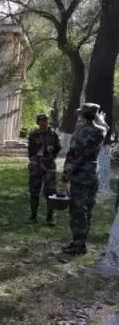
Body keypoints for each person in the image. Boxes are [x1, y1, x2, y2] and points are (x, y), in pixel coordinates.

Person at [59, 103, 107, 255]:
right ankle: (82, 241)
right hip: (93, 174)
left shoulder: (81, 132)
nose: (78, 116)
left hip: (80, 176)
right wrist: (99, 119)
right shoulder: (101, 131)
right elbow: (104, 126)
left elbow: (74, 157)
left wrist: (65, 177)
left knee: (77, 210)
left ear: (83, 115)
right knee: (88, 209)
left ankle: (78, 245)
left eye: (80, 114)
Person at [27, 114, 61, 226]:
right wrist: (34, 160)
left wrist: (51, 158)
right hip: (36, 166)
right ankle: (33, 216)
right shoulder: (33, 134)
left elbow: (57, 148)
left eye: (46, 120)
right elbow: (30, 150)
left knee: (50, 192)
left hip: (49, 166)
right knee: (34, 191)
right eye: (42, 121)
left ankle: (50, 218)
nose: (44, 122)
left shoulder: (53, 135)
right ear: (38, 123)